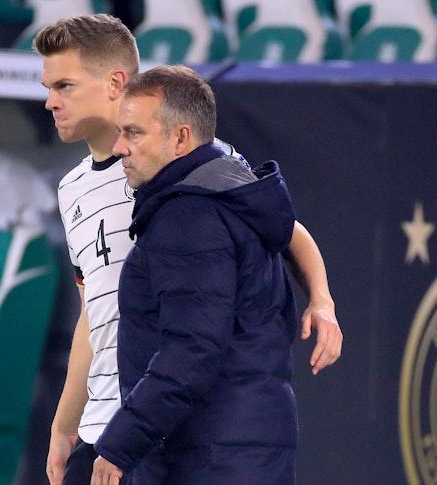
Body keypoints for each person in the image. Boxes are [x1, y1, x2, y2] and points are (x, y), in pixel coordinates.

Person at [33, 14, 342, 485]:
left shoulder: (185, 161)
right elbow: (91, 313)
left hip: (159, 422)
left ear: (116, 82)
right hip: (107, 424)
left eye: (64, 86)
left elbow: (285, 228)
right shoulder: (71, 188)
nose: (50, 101)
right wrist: (64, 423)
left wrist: (321, 300)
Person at [92, 64, 301, 484]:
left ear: (180, 137)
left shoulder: (188, 215)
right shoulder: (229, 194)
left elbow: (192, 349)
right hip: (240, 450)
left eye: (134, 132)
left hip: (210, 459)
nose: (118, 147)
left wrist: (120, 445)